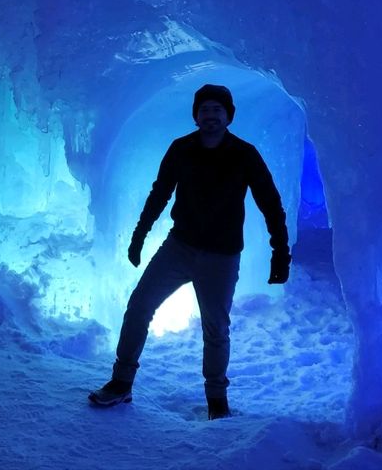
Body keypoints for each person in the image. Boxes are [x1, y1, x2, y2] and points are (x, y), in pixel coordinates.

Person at [89, 84, 291, 419]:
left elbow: (270, 203)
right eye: (205, 109)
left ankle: (217, 403)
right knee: (139, 307)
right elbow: (160, 193)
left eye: (217, 110)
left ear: (228, 116)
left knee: (215, 329)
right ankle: (121, 383)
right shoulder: (181, 149)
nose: (211, 115)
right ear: (196, 115)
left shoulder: (244, 154)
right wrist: (139, 235)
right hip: (179, 247)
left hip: (221, 256)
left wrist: (280, 252)